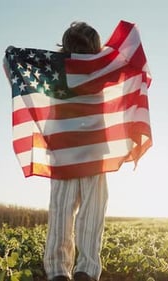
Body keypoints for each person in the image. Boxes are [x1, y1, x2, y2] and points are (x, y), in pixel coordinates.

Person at [43, 22, 107, 281]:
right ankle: (86, 271)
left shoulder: (54, 71)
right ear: (96, 47)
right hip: (93, 152)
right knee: (92, 213)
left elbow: (9, 66)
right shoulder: (103, 70)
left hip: (63, 153)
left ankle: (58, 272)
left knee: (60, 213)